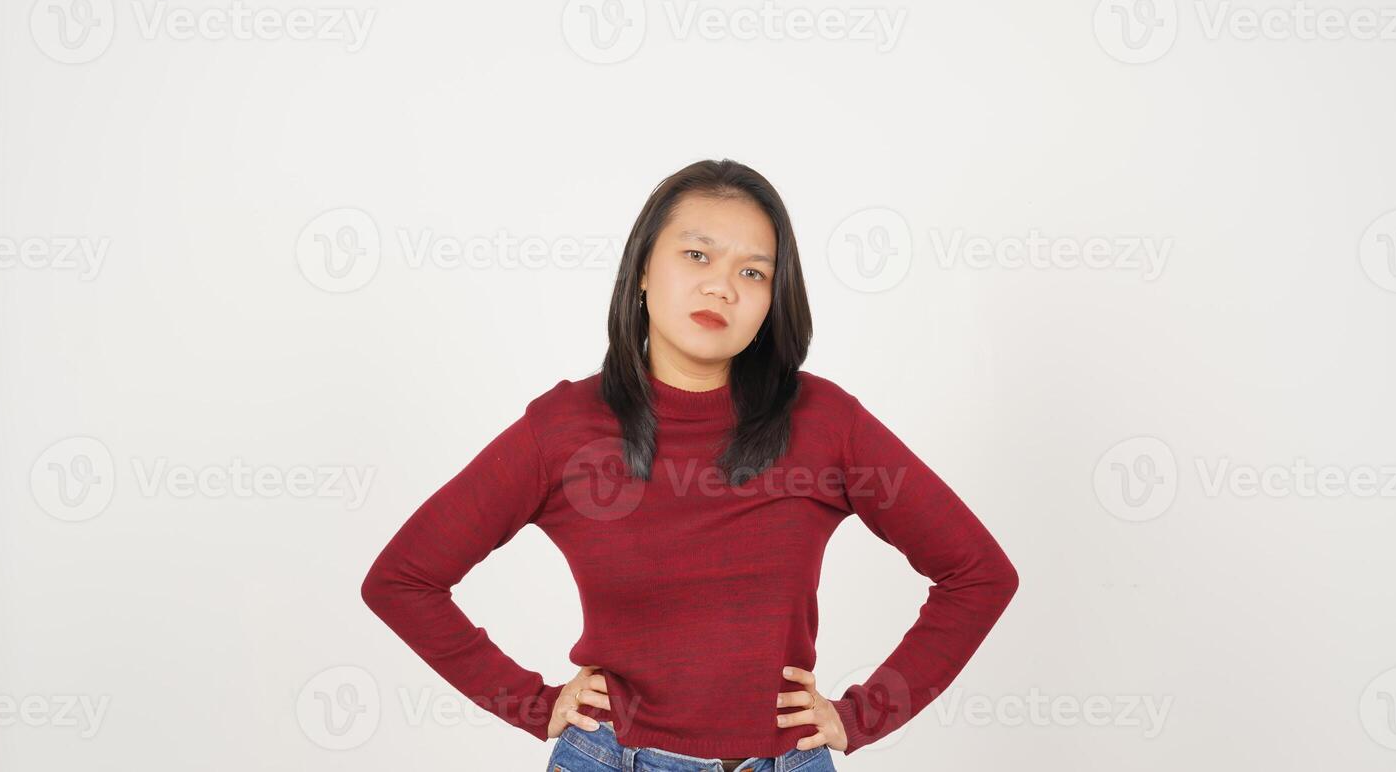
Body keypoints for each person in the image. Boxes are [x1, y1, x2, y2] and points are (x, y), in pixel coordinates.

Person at [361, 158, 1020, 770]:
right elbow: (403, 580)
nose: (721, 286)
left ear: (771, 302)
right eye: (697, 254)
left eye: (753, 272)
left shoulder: (825, 422)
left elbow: (978, 574)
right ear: (644, 269)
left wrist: (863, 716)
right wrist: (531, 703)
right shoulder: (563, 429)